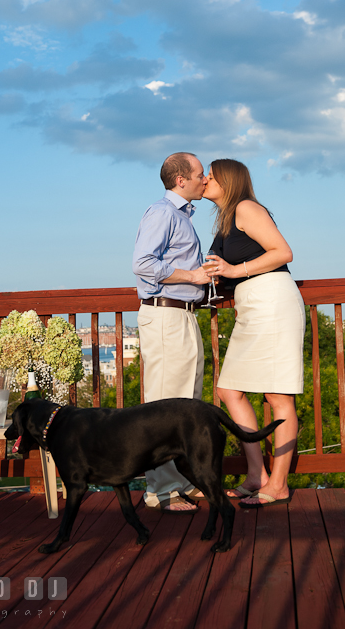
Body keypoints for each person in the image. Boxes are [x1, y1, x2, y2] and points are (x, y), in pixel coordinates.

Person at [202, 159, 305, 506]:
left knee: (278, 397)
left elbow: (283, 252)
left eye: (211, 176)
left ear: (228, 181)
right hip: (251, 305)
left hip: (272, 301)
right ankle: (257, 475)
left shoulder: (246, 208)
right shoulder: (226, 220)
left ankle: (277, 485)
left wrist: (234, 268)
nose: (204, 180)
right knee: (229, 389)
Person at [132, 152, 210, 513]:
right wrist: (193, 276)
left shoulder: (180, 217)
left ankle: (181, 481)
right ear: (181, 180)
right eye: (199, 174)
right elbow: (143, 263)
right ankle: (160, 491)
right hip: (166, 317)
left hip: (182, 316)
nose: (204, 179)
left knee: (187, 404)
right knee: (165, 406)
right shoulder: (162, 213)